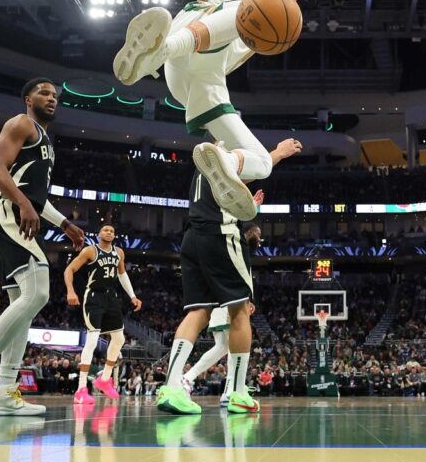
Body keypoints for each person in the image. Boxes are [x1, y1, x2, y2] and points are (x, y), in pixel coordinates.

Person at [113, 0, 338, 221]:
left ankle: (225, 162)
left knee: (262, 162)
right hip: (182, 43)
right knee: (246, 9)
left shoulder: (277, 1)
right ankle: (152, 56)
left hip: (203, 83)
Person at [0, 77, 85, 416]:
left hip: (22, 213)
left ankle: (6, 390)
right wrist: (24, 204)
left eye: (55, 95)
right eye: (44, 93)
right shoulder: (20, 123)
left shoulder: (46, 140)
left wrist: (65, 224)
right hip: (10, 212)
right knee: (38, 293)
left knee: (22, 306)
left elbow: (36, 196)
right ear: (28, 99)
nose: (52, 98)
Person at [156, 137, 302, 415]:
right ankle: (236, 393)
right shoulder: (223, 156)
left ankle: (171, 387)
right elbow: (261, 166)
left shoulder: (201, 171)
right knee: (240, 312)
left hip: (191, 237)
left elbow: (228, 193)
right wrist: (279, 153)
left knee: (198, 312)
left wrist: (248, 201)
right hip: (220, 235)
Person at [179, 223, 261, 407]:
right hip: (226, 301)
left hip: (230, 300)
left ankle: (228, 391)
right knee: (227, 347)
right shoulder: (231, 245)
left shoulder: (241, 249)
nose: (259, 237)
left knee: (227, 347)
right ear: (246, 232)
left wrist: (249, 300)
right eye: (257, 232)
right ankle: (188, 378)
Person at [64, 223, 143, 405]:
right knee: (92, 341)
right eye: (105, 230)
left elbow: (122, 275)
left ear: (114, 235)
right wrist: (70, 290)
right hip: (94, 297)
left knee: (119, 339)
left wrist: (132, 296)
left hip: (111, 298)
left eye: (112, 230)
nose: (109, 232)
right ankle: (81, 389)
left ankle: (105, 379)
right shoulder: (90, 251)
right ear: (99, 234)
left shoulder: (119, 253)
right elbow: (69, 269)